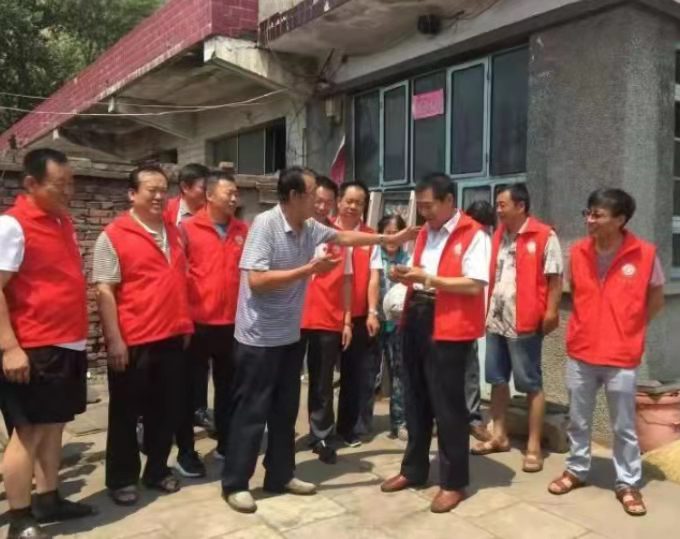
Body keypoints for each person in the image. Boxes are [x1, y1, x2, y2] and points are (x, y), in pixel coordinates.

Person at [221, 167, 418, 514]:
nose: (319, 200)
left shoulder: (309, 226)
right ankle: (236, 483)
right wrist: (309, 270)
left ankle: (280, 475)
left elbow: (345, 237)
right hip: (259, 338)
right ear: (294, 196)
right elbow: (257, 281)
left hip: (289, 334)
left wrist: (387, 239)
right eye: (313, 194)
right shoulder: (266, 225)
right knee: (251, 411)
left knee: (285, 411)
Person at [548, 188, 664, 517]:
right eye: (588, 212)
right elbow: (578, 294)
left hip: (622, 355)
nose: (589, 220)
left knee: (623, 426)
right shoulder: (579, 252)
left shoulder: (644, 254)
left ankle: (627, 482)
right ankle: (576, 469)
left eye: (597, 214)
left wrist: (631, 327)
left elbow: (655, 298)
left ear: (620, 219)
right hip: (582, 351)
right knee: (578, 420)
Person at [381, 173, 491, 513]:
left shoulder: (473, 234)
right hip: (416, 314)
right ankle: (413, 469)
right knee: (414, 397)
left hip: (449, 323)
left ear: (448, 201)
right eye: (421, 206)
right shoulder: (424, 233)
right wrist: (405, 276)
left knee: (448, 406)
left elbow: (474, 283)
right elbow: (421, 275)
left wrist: (427, 278)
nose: (424, 213)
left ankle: (454, 482)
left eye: (429, 206)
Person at [0, 149, 95, 539]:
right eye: (60, 185)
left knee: (55, 426)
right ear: (31, 183)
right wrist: (10, 347)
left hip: (67, 343)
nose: (68, 192)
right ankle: (20, 516)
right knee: (28, 433)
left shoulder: (61, 222)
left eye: (71, 183)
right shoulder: (13, 225)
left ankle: (49, 497)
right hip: (33, 346)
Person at [93, 163, 193, 506]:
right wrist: (114, 340)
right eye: (152, 190)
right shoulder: (113, 235)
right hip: (133, 339)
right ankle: (121, 478)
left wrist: (185, 325)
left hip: (172, 336)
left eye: (164, 189)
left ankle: (157, 470)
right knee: (125, 412)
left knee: (166, 410)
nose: (159, 196)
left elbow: (180, 283)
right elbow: (104, 290)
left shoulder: (175, 233)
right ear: (132, 194)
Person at [471, 184, 562, 474]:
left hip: (525, 322)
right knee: (497, 380)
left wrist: (551, 312)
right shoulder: (498, 235)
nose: (497, 210)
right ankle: (499, 435)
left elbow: (555, 278)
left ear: (520, 206)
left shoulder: (544, 235)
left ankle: (533, 446)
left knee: (531, 384)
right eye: (497, 205)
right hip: (496, 320)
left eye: (502, 204)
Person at [174, 171, 248, 478]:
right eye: (228, 193)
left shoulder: (243, 230)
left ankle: (226, 444)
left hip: (232, 323)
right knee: (189, 392)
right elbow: (177, 278)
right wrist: (182, 320)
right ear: (210, 195)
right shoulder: (187, 229)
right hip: (196, 324)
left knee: (229, 388)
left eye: (236, 193)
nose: (234, 198)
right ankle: (186, 452)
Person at [300, 175, 353, 465]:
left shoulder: (339, 236)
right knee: (284, 381)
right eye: (317, 200)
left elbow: (346, 280)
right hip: (293, 318)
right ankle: (279, 433)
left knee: (322, 383)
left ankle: (321, 435)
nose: (322, 207)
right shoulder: (295, 230)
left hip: (327, 318)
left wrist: (346, 320)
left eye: (328, 202)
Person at [163, 163, 213, 432]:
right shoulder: (166, 213)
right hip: (171, 299)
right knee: (174, 361)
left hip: (201, 299)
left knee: (199, 361)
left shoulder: (211, 215)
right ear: (185, 187)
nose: (207, 194)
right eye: (203, 188)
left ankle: (198, 408)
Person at [335, 181, 380, 446]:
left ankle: (347, 428)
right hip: (328, 316)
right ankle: (321, 433)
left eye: (359, 202)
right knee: (322, 378)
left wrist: (373, 311)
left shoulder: (370, 236)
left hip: (360, 315)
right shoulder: (325, 232)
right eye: (349, 201)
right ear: (339, 201)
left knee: (355, 375)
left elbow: (374, 277)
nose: (353, 206)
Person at [368, 214, 410, 441]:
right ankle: (363, 421)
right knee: (369, 371)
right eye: (388, 233)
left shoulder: (409, 259)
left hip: (398, 324)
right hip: (374, 321)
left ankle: (399, 422)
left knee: (399, 373)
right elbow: (371, 283)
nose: (393, 238)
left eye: (397, 233)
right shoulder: (374, 254)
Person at [464, 199, 496, 443]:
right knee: (461, 370)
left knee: (470, 370)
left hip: (473, 315)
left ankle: (472, 418)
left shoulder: (487, 242)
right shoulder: (467, 240)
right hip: (458, 314)